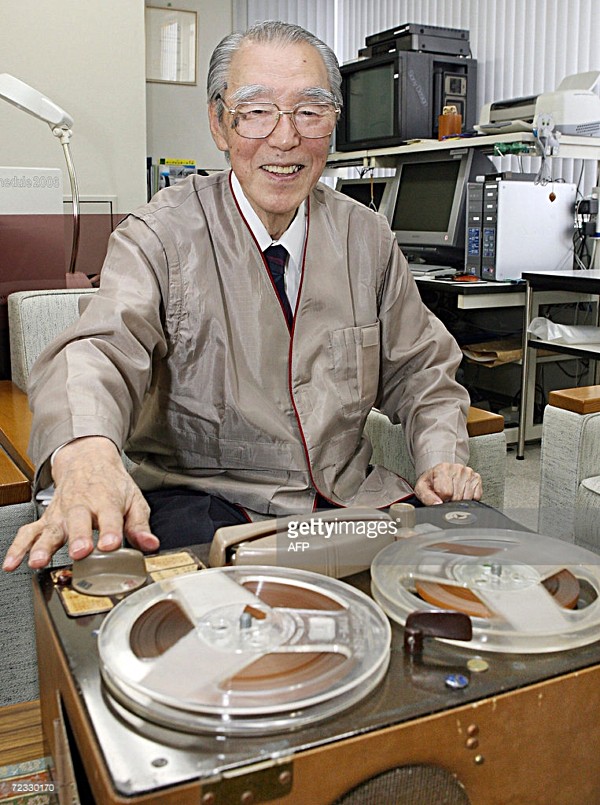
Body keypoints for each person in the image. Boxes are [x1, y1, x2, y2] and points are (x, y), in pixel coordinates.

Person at [3, 21, 481, 573]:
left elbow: (422, 371)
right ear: (219, 123)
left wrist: (442, 458)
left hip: (347, 502)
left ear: (333, 123)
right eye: (256, 110)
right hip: (207, 505)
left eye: (310, 110)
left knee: (467, 579)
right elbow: (98, 351)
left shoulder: (366, 237)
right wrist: (85, 447)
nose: (285, 138)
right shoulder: (159, 235)